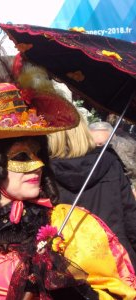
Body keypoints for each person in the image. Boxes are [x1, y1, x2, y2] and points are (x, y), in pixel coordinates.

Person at [0, 50, 136, 299]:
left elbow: (122, 290)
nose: (37, 165)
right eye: (21, 156)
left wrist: (67, 291)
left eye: (38, 154)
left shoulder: (71, 228)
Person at [48, 115, 136, 270]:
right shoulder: (110, 162)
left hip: (70, 266)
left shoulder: (44, 173)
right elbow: (131, 219)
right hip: (118, 262)